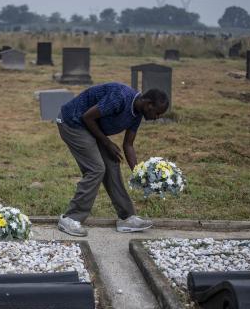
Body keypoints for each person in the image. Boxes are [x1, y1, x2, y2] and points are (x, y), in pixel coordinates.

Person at [56, 82, 169, 237]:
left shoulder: (137, 113)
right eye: (157, 113)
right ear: (148, 104)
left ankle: (126, 218)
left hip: (90, 127)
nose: (157, 118)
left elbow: (128, 145)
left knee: (112, 163)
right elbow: (87, 117)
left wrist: (139, 173)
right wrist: (107, 142)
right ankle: (70, 218)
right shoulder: (120, 98)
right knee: (96, 169)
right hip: (72, 122)